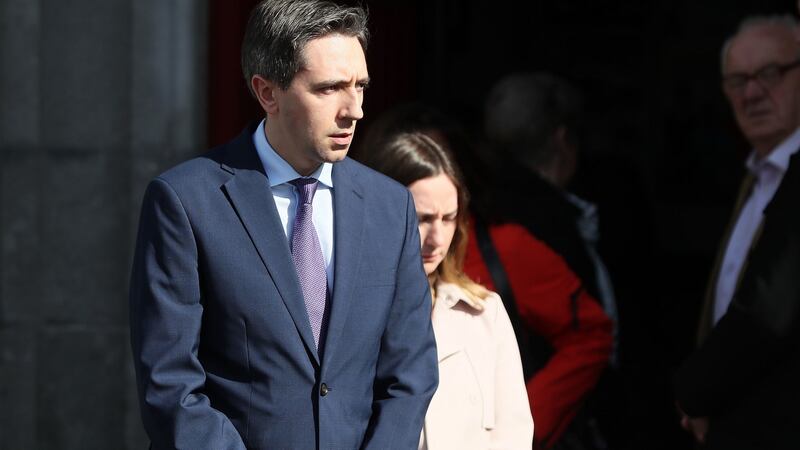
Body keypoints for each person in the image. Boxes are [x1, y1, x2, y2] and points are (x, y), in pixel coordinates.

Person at [128, 1, 438, 448]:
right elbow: (170, 383)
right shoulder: (186, 201)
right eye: (330, 89)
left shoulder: (390, 207)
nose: (354, 110)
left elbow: (410, 373)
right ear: (267, 93)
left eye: (361, 86)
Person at [674, 15, 800, 450]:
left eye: (770, 73)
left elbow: (769, 309)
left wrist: (696, 392)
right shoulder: (755, 177)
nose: (751, 93)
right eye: (736, 81)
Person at [362, 132, 534, 449]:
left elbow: (514, 434)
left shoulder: (485, 313)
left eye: (449, 218)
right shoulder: (343, 310)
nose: (437, 238)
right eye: (422, 219)